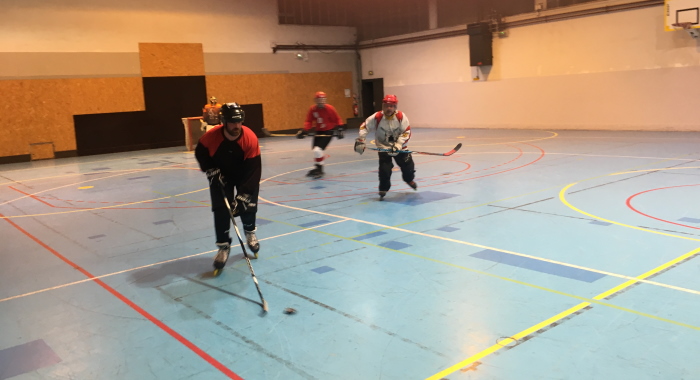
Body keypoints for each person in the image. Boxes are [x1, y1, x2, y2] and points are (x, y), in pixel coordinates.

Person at [195, 102, 262, 269]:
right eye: (233, 122)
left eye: (239, 121)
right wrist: (210, 169)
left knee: (247, 207)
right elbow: (200, 152)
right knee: (221, 210)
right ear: (224, 121)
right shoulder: (211, 137)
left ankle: (250, 232)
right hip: (221, 175)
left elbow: (254, 170)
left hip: (245, 174)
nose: (237, 125)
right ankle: (223, 247)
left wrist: (244, 195)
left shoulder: (250, 138)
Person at [354, 94, 417, 200]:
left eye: (391, 106)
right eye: (387, 106)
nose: (389, 108)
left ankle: (409, 179)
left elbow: (407, 132)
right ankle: (383, 189)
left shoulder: (401, 117)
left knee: (408, 167)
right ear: (383, 106)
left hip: (400, 147)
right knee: (384, 170)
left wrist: (398, 145)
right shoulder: (377, 117)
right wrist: (361, 139)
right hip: (384, 147)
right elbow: (364, 126)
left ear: (395, 107)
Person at [296, 91, 344, 179]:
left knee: (318, 150)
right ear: (316, 100)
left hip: (328, 131)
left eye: (323, 99)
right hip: (319, 131)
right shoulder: (313, 109)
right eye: (319, 99)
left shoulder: (330, 108)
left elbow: (337, 119)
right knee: (316, 150)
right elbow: (309, 121)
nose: (321, 101)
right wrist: (304, 130)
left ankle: (320, 169)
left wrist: (340, 129)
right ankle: (318, 168)